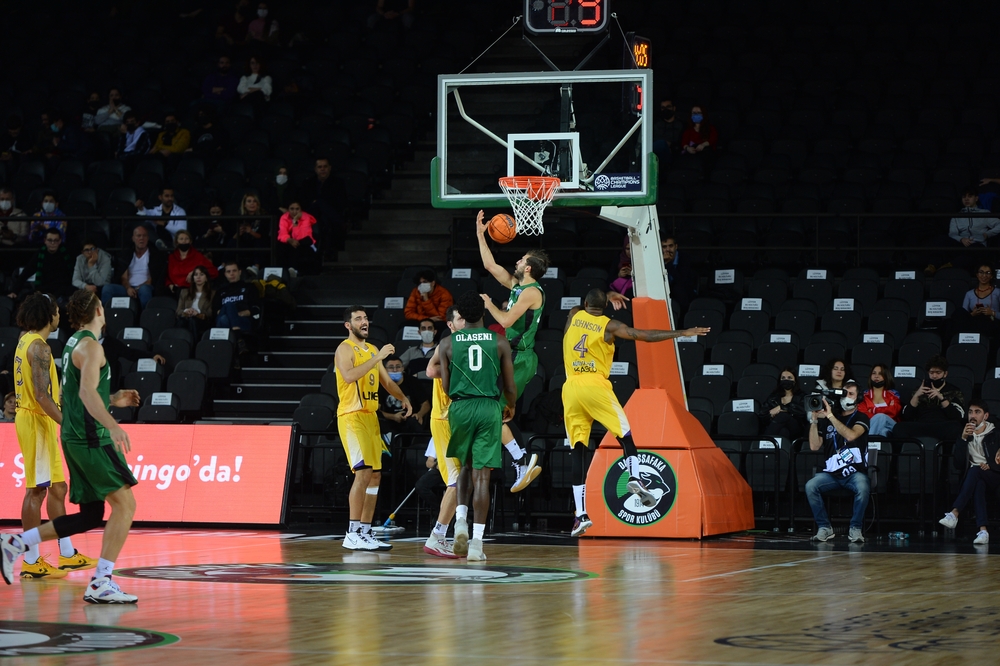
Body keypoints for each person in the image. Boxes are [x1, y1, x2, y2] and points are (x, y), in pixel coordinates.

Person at [0, 289, 143, 602]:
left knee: (80, 506)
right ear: (98, 312)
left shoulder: (65, 343)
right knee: (120, 504)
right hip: (69, 431)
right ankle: (86, 576)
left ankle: (26, 546)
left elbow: (77, 392)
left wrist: (111, 399)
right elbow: (62, 394)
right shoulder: (67, 346)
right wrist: (109, 423)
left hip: (64, 431)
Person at [561, 290, 710, 536]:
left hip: (570, 388)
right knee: (626, 436)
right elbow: (644, 335)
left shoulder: (574, 314)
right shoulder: (609, 326)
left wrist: (607, 293)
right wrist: (681, 333)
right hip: (595, 386)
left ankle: (580, 515)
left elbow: (584, 306)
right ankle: (635, 478)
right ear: (605, 307)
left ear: (585, 303)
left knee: (578, 449)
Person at [9, 293, 97, 579]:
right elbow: (42, 396)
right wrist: (68, 424)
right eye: (56, 311)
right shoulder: (40, 348)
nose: (59, 315)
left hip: (39, 419)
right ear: (49, 316)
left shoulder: (26, 338)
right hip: (36, 420)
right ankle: (31, 560)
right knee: (36, 490)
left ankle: (68, 554)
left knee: (58, 488)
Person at [437, 291, 517, 561]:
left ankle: (460, 521)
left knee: (465, 466)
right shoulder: (500, 341)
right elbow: (509, 385)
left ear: (461, 315)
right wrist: (510, 405)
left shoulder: (446, 343)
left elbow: (446, 386)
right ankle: (477, 544)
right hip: (488, 406)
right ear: (483, 313)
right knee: (482, 475)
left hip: (460, 407)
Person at [336, 305, 412, 551]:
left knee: (375, 474)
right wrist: (378, 358)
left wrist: (403, 398)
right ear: (348, 325)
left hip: (370, 418)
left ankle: (365, 530)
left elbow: (386, 382)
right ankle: (352, 532)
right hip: (352, 416)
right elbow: (349, 376)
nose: (364, 321)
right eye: (358, 318)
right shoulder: (345, 348)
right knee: (362, 472)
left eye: (366, 318)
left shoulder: (371, 349)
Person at [422, 305, 464, 557]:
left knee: (463, 481)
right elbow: (430, 370)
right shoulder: (446, 344)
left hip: (459, 419)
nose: (464, 321)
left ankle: (445, 534)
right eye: (459, 318)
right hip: (443, 419)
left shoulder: (467, 344)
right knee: (456, 481)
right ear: (450, 324)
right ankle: (436, 536)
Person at [805, 380, 870, 543]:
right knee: (811, 486)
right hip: (832, 473)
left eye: (851, 394)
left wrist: (830, 416)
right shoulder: (828, 419)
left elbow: (851, 435)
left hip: (854, 472)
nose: (846, 396)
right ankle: (824, 527)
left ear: (858, 398)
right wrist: (814, 420)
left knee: (863, 487)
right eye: (845, 393)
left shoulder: (862, 417)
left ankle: (855, 528)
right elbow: (814, 446)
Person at [939, 400, 1000, 545]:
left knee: (975, 471)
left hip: (994, 473)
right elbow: (958, 464)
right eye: (971, 412)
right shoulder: (965, 435)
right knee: (978, 483)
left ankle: (954, 513)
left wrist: (990, 465)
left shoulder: (995, 434)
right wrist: (963, 439)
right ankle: (983, 531)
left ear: (985, 416)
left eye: (977, 412)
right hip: (976, 476)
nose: (973, 415)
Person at [893, 355, 966, 444]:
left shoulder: (954, 391)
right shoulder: (919, 390)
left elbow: (957, 416)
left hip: (942, 426)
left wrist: (941, 397)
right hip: (921, 425)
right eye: (931, 372)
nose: (934, 376)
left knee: (955, 427)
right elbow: (907, 416)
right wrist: (916, 396)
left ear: (945, 374)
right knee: (899, 428)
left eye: (938, 372)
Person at [925, 190, 1000, 275]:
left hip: (977, 244)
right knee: (941, 239)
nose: (966, 199)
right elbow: (952, 233)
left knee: (975, 250)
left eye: (970, 196)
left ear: (976, 198)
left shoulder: (984, 213)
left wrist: (988, 234)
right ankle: (932, 266)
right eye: (964, 197)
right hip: (960, 244)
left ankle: (947, 267)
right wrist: (961, 239)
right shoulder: (957, 216)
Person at [102, 225, 167, 309]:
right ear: (133, 238)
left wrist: (138, 288)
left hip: (145, 287)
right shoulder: (127, 254)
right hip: (128, 287)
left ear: (148, 238)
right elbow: (123, 277)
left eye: (144, 236)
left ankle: (147, 315)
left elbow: (153, 278)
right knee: (107, 289)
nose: (141, 238)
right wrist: (128, 288)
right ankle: (106, 315)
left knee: (144, 290)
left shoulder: (154, 255)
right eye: (138, 236)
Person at [8, 228, 75, 302]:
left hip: (62, 289)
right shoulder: (40, 254)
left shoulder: (67, 254)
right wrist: (14, 291)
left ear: (60, 241)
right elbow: (26, 272)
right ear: (45, 240)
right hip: (44, 289)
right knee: (24, 298)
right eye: (50, 240)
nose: (53, 243)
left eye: (56, 240)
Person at [378, 356, 430, 438]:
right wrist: (393, 417)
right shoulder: (380, 385)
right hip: (389, 421)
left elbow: (426, 404)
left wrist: (419, 414)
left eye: (398, 367)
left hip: (411, 419)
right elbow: (376, 410)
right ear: (385, 370)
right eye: (391, 367)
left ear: (403, 368)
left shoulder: (413, 382)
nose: (395, 370)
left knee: (414, 423)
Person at [758, 367, 807, 441]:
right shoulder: (773, 397)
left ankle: (765, 443)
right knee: (783, 432)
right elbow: (762, 415)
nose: (786, 380)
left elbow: (803, 412)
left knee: (783, 415)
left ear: (795, 381)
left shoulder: (802, 396)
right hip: (779, 429)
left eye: (789, 378)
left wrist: (782, 408)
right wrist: (770, 414)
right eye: (783, 378)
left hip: (797, 429)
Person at [166, 229, 218, 294]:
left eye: (186, 239)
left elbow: (214, 271)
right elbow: (167, 275)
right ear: (176, 242)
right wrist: (170, 285)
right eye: (181, 239)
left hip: (193, 290)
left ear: (190, 241)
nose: (184, 241)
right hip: (174, 290)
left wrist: (196, 272)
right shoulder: (171, 257)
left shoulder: (198, 256)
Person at [857, 364, 902, 437]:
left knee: (881, 417)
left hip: (891, 425)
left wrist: (873, 410)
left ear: (886, 376)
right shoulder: (864, 395)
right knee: (883, 431)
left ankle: (869, 442)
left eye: (880, 374)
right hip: (871, 424)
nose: (876, 376)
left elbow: (893, 412)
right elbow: (862, 413)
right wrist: (886, 409)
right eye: (874, 373)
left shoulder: (893, 394)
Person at [213, 261, 259, 333]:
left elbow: (256, 308)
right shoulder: (220, 291)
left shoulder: (250, 287)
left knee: (224, 318)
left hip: (243, 320)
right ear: (225, 274)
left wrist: (237, 314)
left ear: (239, 272)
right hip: (224, 319)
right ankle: (236, 330)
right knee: (227, 308)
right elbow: (215, 310)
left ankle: (229, 331)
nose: (232, 273)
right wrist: (231, 313)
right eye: (228, 271)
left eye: (234, 271)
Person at [276, 201, 318, 276]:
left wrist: (295, 221)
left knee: (299, 244)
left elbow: (301, 236)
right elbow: (282, 233)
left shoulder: (306, 217)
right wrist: (289, 240)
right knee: (281, 245)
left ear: (301, 209)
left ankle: (295, 269)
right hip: (292, 241)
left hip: (306, 241)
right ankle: (283, 272)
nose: (294, 212)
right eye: (292, 209)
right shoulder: (284, 217)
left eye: (297, 209)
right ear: (288, 210)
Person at [176, 265, 215, 339]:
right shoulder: (184, 292)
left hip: (201, 320)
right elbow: (178, 311)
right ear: (193, 278)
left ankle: (193, 343)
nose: (198, 277)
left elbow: (210, 312)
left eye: (201, 274)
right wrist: (186, 310)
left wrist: (197, 312)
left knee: (193, 320)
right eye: (196, 275)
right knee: (181, 321)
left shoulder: (212, 294)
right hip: (186, 318)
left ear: (206, 278)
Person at [662, 236, 696, 319]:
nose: (668, 250)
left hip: (684, 291)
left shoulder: (685, 258)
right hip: (665, 290)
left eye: (670, 246)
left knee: (678, 290)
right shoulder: (656, 258)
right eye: (664, 247)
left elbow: (682, 281)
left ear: (676, 246)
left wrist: (668, 264)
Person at [234, 193, 268, 274]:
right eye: (249, 201)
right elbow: (234, 237)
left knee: (259, 242)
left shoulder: (263, 216)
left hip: (257, 242)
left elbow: (262, 236)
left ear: (257, 204)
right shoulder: (239, 217)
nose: (252, 203)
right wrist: (239, 232)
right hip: (244, 242)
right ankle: (224, 265)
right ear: (244, 204)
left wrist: (251, 231)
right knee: (232, 242)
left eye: (254, 201)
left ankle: (256, 267)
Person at [652, 98, 685, 165]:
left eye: (668, 107)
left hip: (675, 155)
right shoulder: (656, 124)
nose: (665, 110)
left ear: (674, 108)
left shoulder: (681, 125)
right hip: (656, 156)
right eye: (663, 108)